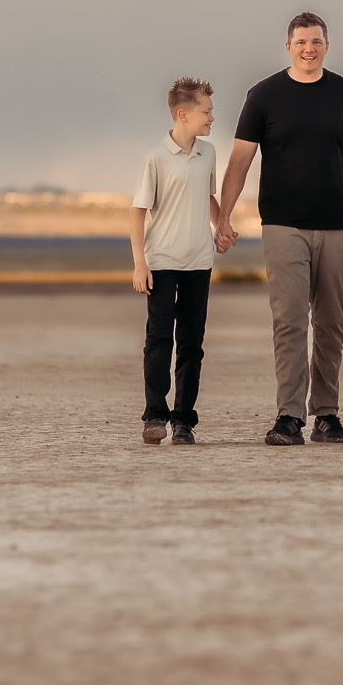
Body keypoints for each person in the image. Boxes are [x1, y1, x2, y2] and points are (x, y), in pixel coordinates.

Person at [218, 12, 343, 446]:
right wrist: (222, 217)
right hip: (282, 224)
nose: (308, 49)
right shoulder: (263, 95)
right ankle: (289, 416)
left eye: (316, 41)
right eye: (301, 42)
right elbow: (240, 162)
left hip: (337, 224)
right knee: (290, 320)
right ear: (288, 46)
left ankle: (327, 415)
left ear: (326, 46)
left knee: (332, 322)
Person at [128, 77, 229, 445]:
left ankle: (184, 420)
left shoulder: (209, 153)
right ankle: (155, 415)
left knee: (191, 343)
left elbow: (208, 198)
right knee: (158, 340)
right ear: (183, 114)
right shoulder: (155, 158)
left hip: (199, 263)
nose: (212, 117)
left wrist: (222, 227)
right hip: (161, 262)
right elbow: (137, 213)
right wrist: (140, 264)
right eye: (207, 111)